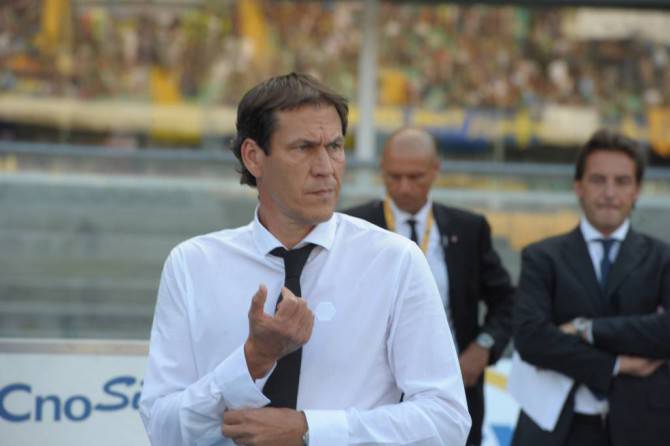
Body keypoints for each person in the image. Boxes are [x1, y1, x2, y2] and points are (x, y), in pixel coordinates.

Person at [139, 73, 471, 446]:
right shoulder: (192, 266)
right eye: (303, 148)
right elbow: (163, 431)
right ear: (253, 157)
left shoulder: (396, 262)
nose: (326, 167)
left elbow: (447, 422)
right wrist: (252, 361)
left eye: (335, 146)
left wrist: (310, 430)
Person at [344, 127, 515, 446]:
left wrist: (483, 347)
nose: (404, 187)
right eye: (394, 177)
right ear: (382, 170)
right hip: (371, 397)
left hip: (453, 390)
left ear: (436, 170)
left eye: (415, 177)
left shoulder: (469, 229)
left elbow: (507, 301)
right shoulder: (351, 228)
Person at [512, 129, 670, 446]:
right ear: (578, 187)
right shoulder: (541, 256)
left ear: (637, 190)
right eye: (598, 180)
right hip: (555, 430)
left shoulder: (663, 258)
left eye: (622, 181)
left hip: (644, 428)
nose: (609, 192)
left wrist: (586, 329)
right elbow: (531, 339)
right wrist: (615, 364)